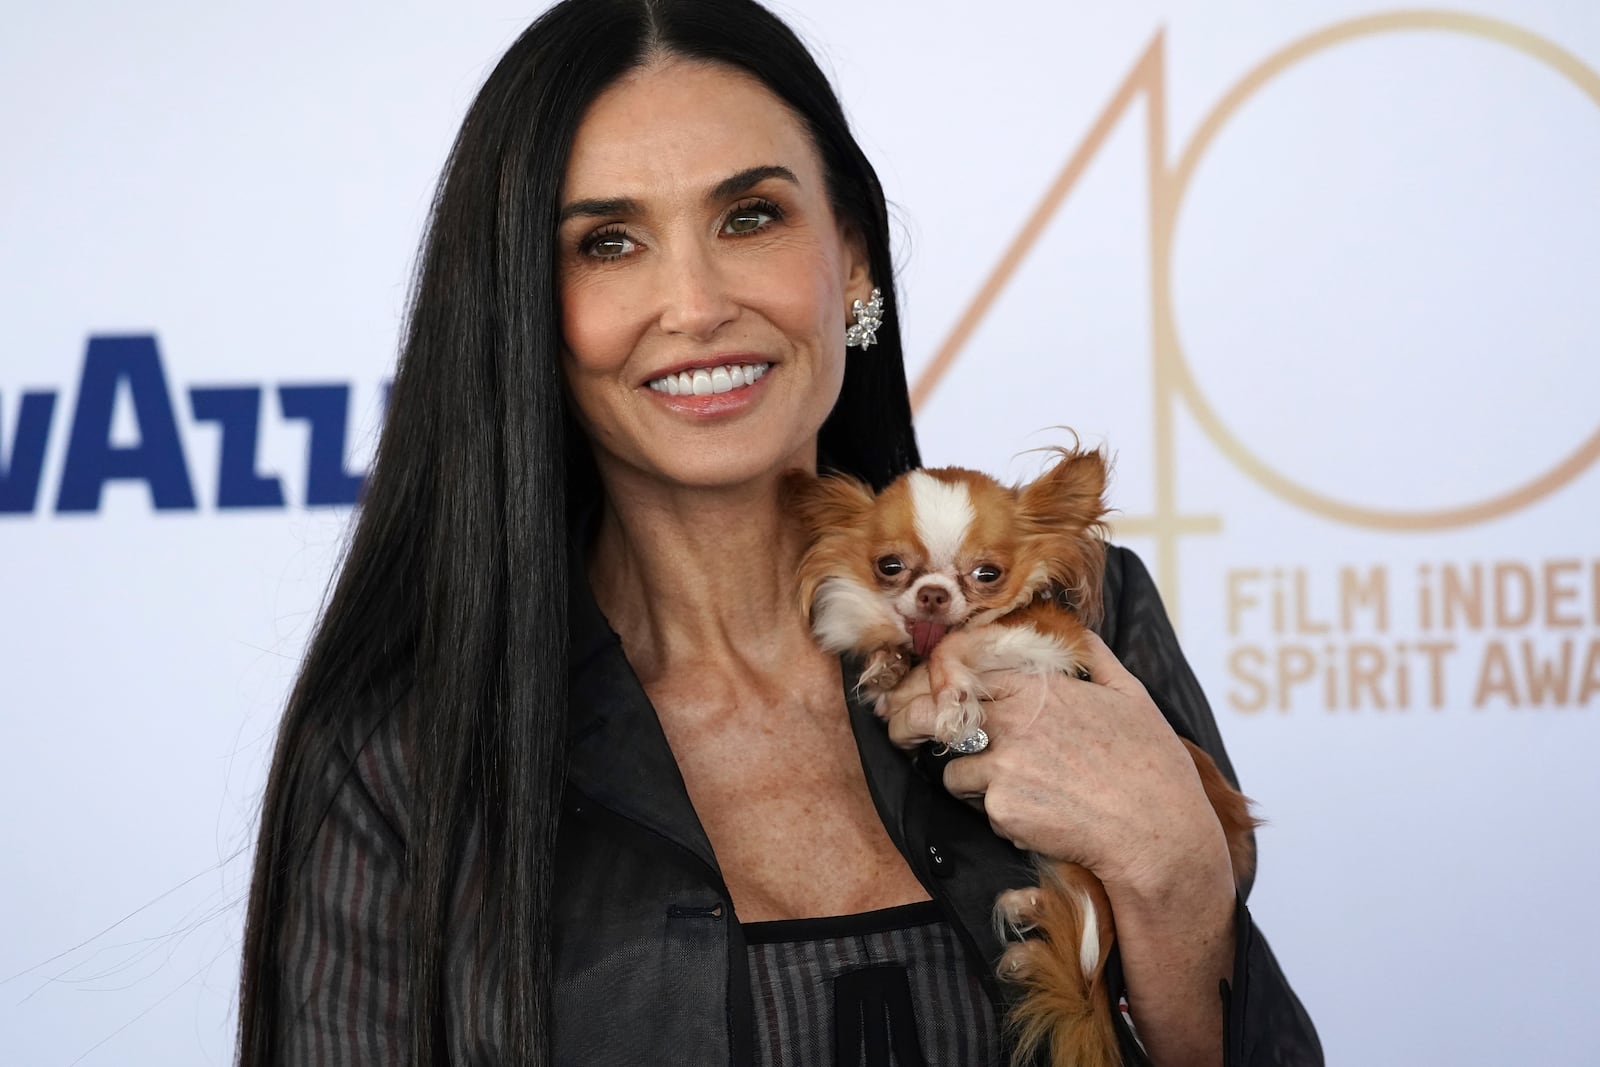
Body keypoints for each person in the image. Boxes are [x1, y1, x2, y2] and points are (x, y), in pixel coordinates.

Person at [236, 1, 1322, 1064]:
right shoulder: (404, 747)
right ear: (525, 303)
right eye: (608, 242)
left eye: (749, 216)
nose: (696, 303)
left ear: (850, 257)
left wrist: (1177, 872)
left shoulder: (1078, 612)